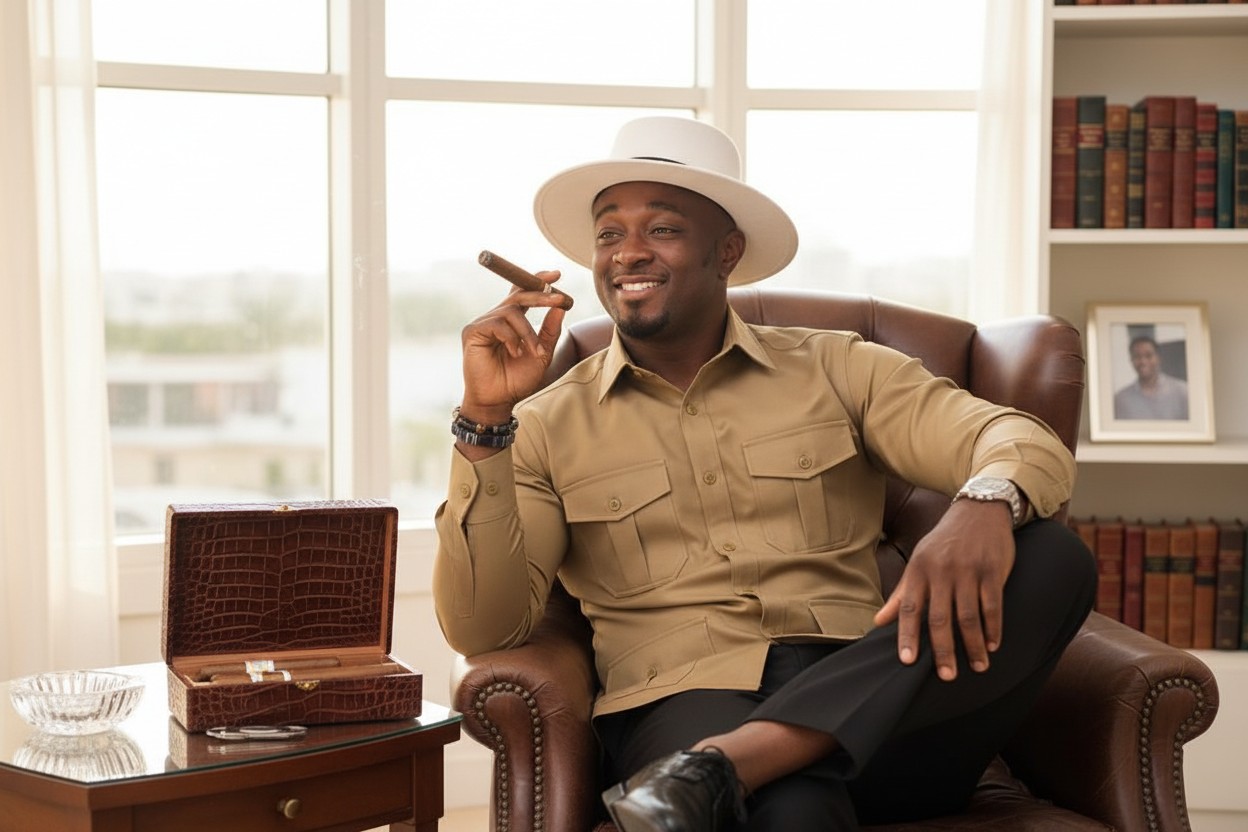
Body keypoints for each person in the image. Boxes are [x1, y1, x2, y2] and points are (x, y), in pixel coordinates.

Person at [433, 116, 1095, 831]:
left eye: (662, 229)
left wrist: (981, 506)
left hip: (883, 716)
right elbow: (485, 627)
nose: (628, 252)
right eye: (609, 233)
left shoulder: (839, 367)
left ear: (728, 251)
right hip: (686, 702)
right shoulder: (542, 425)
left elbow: (1017, 439)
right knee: (790, 807)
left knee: (1053, 557)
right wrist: (484, 420)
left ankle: (728, 765)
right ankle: (731, 767)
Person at [1113, 334, 1189, 420]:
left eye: (1148, 355)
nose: (1143, 361)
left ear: (1158, 358)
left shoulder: (1182, 392)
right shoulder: (1121, 400)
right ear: (1131, 360)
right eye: (1137, 356)